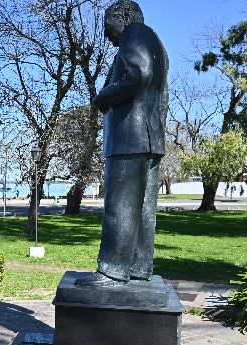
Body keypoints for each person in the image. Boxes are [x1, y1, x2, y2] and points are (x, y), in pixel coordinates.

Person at [75, 0, 169, 287]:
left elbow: (140, 73)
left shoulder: (134, 31)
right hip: (149, 138)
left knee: (120, 206)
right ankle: (139, 268)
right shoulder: (157, 43)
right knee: (142, 212)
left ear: (124, 17)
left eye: (108, 25)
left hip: (130, 137)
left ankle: (112, 272)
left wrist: (104, 97)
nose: (106, 33)